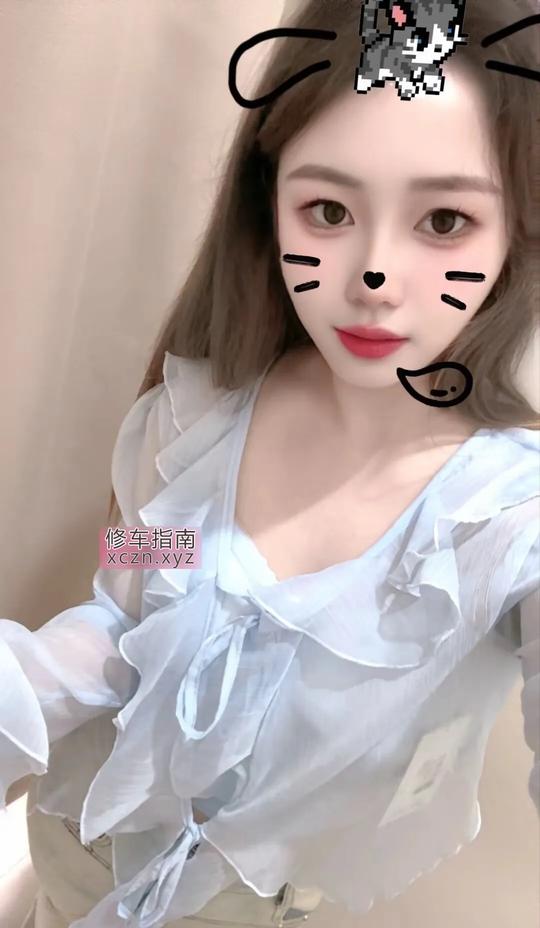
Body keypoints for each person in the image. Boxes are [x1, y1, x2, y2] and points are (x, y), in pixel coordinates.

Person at [2, 0, 539, 925]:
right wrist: (40, 678)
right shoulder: (199, 411)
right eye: (328, 210)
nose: (373, 277)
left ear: (518, 229)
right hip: (60, 864)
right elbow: (135, 582)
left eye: (445, 220)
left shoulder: (505, 521)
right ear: (271, 201)